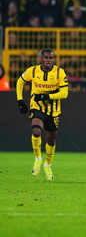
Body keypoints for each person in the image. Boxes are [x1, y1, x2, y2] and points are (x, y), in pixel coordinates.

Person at [16, 49, 69, 181]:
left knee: (51, 139)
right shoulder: (33, 71)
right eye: (46, 57)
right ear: (41, 59)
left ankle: (47, 164)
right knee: (36, 130)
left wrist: (47, 96)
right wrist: (20, 100)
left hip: (54, 111)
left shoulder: (59, 72)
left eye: (51, 58)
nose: (48, 60)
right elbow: (20, 82)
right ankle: (38, 158)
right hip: (37, 107)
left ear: (54, 59)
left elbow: (64, 93)